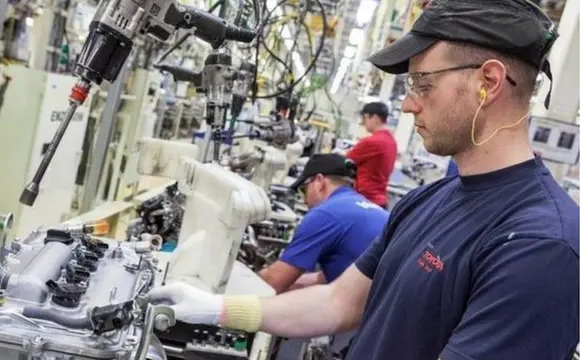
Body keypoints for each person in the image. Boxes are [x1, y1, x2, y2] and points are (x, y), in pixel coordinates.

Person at [142, 2, 579, 360]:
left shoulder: (540, 246)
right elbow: (338, 303)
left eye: (422, 84)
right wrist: (215, 309)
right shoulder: (429, 199)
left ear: (489, 82)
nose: (407, 105)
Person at [258, 153, 389, 294]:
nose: (304, 201)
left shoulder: (326, 213)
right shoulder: (370, 209)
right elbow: (325, 279)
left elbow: (272, 283)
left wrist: (249, 273)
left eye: (304, 189)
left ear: (319, 181)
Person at [346, 102, 397, 209]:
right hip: (380, 200)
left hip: (365, 199)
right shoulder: (391, 141)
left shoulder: (372, 141)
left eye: (365, 118)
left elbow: (346, 160)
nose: (364, 122)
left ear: (375, 118)